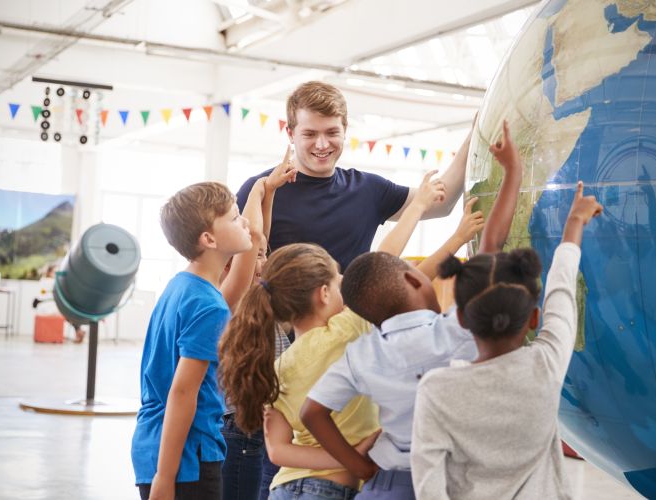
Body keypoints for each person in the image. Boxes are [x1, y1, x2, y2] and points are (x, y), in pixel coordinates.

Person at [298, 121, 523, 499]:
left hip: (385, 483)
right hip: (449, 482)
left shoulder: (361, 352)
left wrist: (360, 467)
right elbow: (493, 246)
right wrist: (513, 171)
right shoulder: (456, 328)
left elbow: (311, 412)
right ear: (418, 281)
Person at [218, 172, 455, 500]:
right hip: (331, 489)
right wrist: (419, 208)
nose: (352, 284)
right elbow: (386, 269)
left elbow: (278, 451)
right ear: (324, 294)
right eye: (342, 279)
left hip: (284, 488)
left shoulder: (278, 366)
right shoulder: (348, 331)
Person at [410, 182, 602, 500]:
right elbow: (561, 292)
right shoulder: (544, 365)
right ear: (533, 320)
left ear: (461, 319)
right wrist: (574, 224)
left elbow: (429, 486)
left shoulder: (436, 389)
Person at [235, 80, 475, 271]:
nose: (322, 144)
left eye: (331, 132)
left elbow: (441, 203)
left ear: (345, 130)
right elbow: (232, 267)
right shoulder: (261, 190)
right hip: (277, 330)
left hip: (351, 328)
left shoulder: (368, 189)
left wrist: (475, 135)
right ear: (290, 133)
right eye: (310, 134)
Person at [131, 181, 253, 500]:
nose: (245, 223)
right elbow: (184, 392)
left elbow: (246, 263)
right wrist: (165, 476)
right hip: (186, 460)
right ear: (208, 238)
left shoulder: (181, 286)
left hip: (153, 443)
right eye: (234, 217)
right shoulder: (208, 306)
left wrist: (264, 192)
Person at [219, 149, 298, 500]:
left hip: (262, 424)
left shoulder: (264, 296)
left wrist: (271, 193)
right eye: (257, 257)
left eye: (264, 256)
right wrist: (257, 190)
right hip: (241, 429)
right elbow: (253, 238)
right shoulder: (234, 300)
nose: (263, 262)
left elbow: (261, 238)